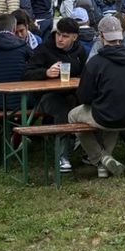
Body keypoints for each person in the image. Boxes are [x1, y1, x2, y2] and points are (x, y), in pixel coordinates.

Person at [69, 17, 125, 178]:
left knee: (72, 115)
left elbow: (84, 97)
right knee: (113, 113)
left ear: (102, 36)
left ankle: (100, 158)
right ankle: (104, 168)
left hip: (107, 116)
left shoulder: (95, 62)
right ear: (121, 35)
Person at [23, 17, 87, 172]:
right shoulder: (44, 49)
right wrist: (46, 72)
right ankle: (62, 156)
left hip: (73, 93)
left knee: (91, 107)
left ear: (74, 37)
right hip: (47, 95)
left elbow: (86, 72)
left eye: (65, 36)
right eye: (58, 34)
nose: (60, 38)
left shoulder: (80, 50)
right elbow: (26, 73)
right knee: (63, 110)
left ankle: (90, 151)